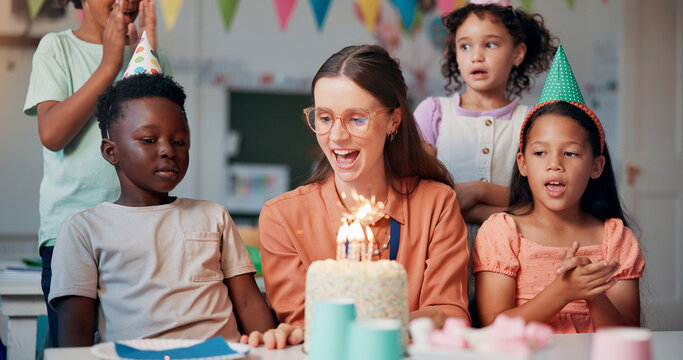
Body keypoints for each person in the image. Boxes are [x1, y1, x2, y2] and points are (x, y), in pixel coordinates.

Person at [243, 45, 471, 349]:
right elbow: (303, 324)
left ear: (393, 120)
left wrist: (374, 327)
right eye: (324, 118)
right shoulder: (282, 218)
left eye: (356, 118)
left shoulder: (437, 204)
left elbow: (450, 313)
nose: (336, 136)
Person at [48, 73, 276, 346]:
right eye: (149, 139)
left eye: (179, 141)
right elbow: (76, 333)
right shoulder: (84, 229)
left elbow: (250, 304)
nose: (168, 150)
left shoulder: (213, 216)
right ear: (111, 152)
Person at [23, 0, 170, 346]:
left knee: (138, 343)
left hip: (142, 233)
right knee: (75, 346)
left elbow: (160, 139)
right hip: (71, 236)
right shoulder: (57, 47)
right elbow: (53, 135)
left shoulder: (150, 53)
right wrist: (109, 65)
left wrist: (143, 58)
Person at [472, 45, 644, 333]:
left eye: (571, 153)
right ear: (523, 164)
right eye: (540, 153)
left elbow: (626, 338)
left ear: (596, 167)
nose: (555, 164)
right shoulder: (501, 233)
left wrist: (593, 293)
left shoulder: (616, 240)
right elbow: (492, 330)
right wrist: (562, 292)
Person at [414, 1, 556, 224]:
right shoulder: (432, 114)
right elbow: (418, 193)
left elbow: (542, 196)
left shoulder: (534, 121)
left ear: (518, 53)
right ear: (455, 54)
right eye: (465, 46)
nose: (476, 56)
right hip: (444, 255)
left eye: (490, 45)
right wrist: (506, 208)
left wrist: (477, 191)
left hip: (516, 255)